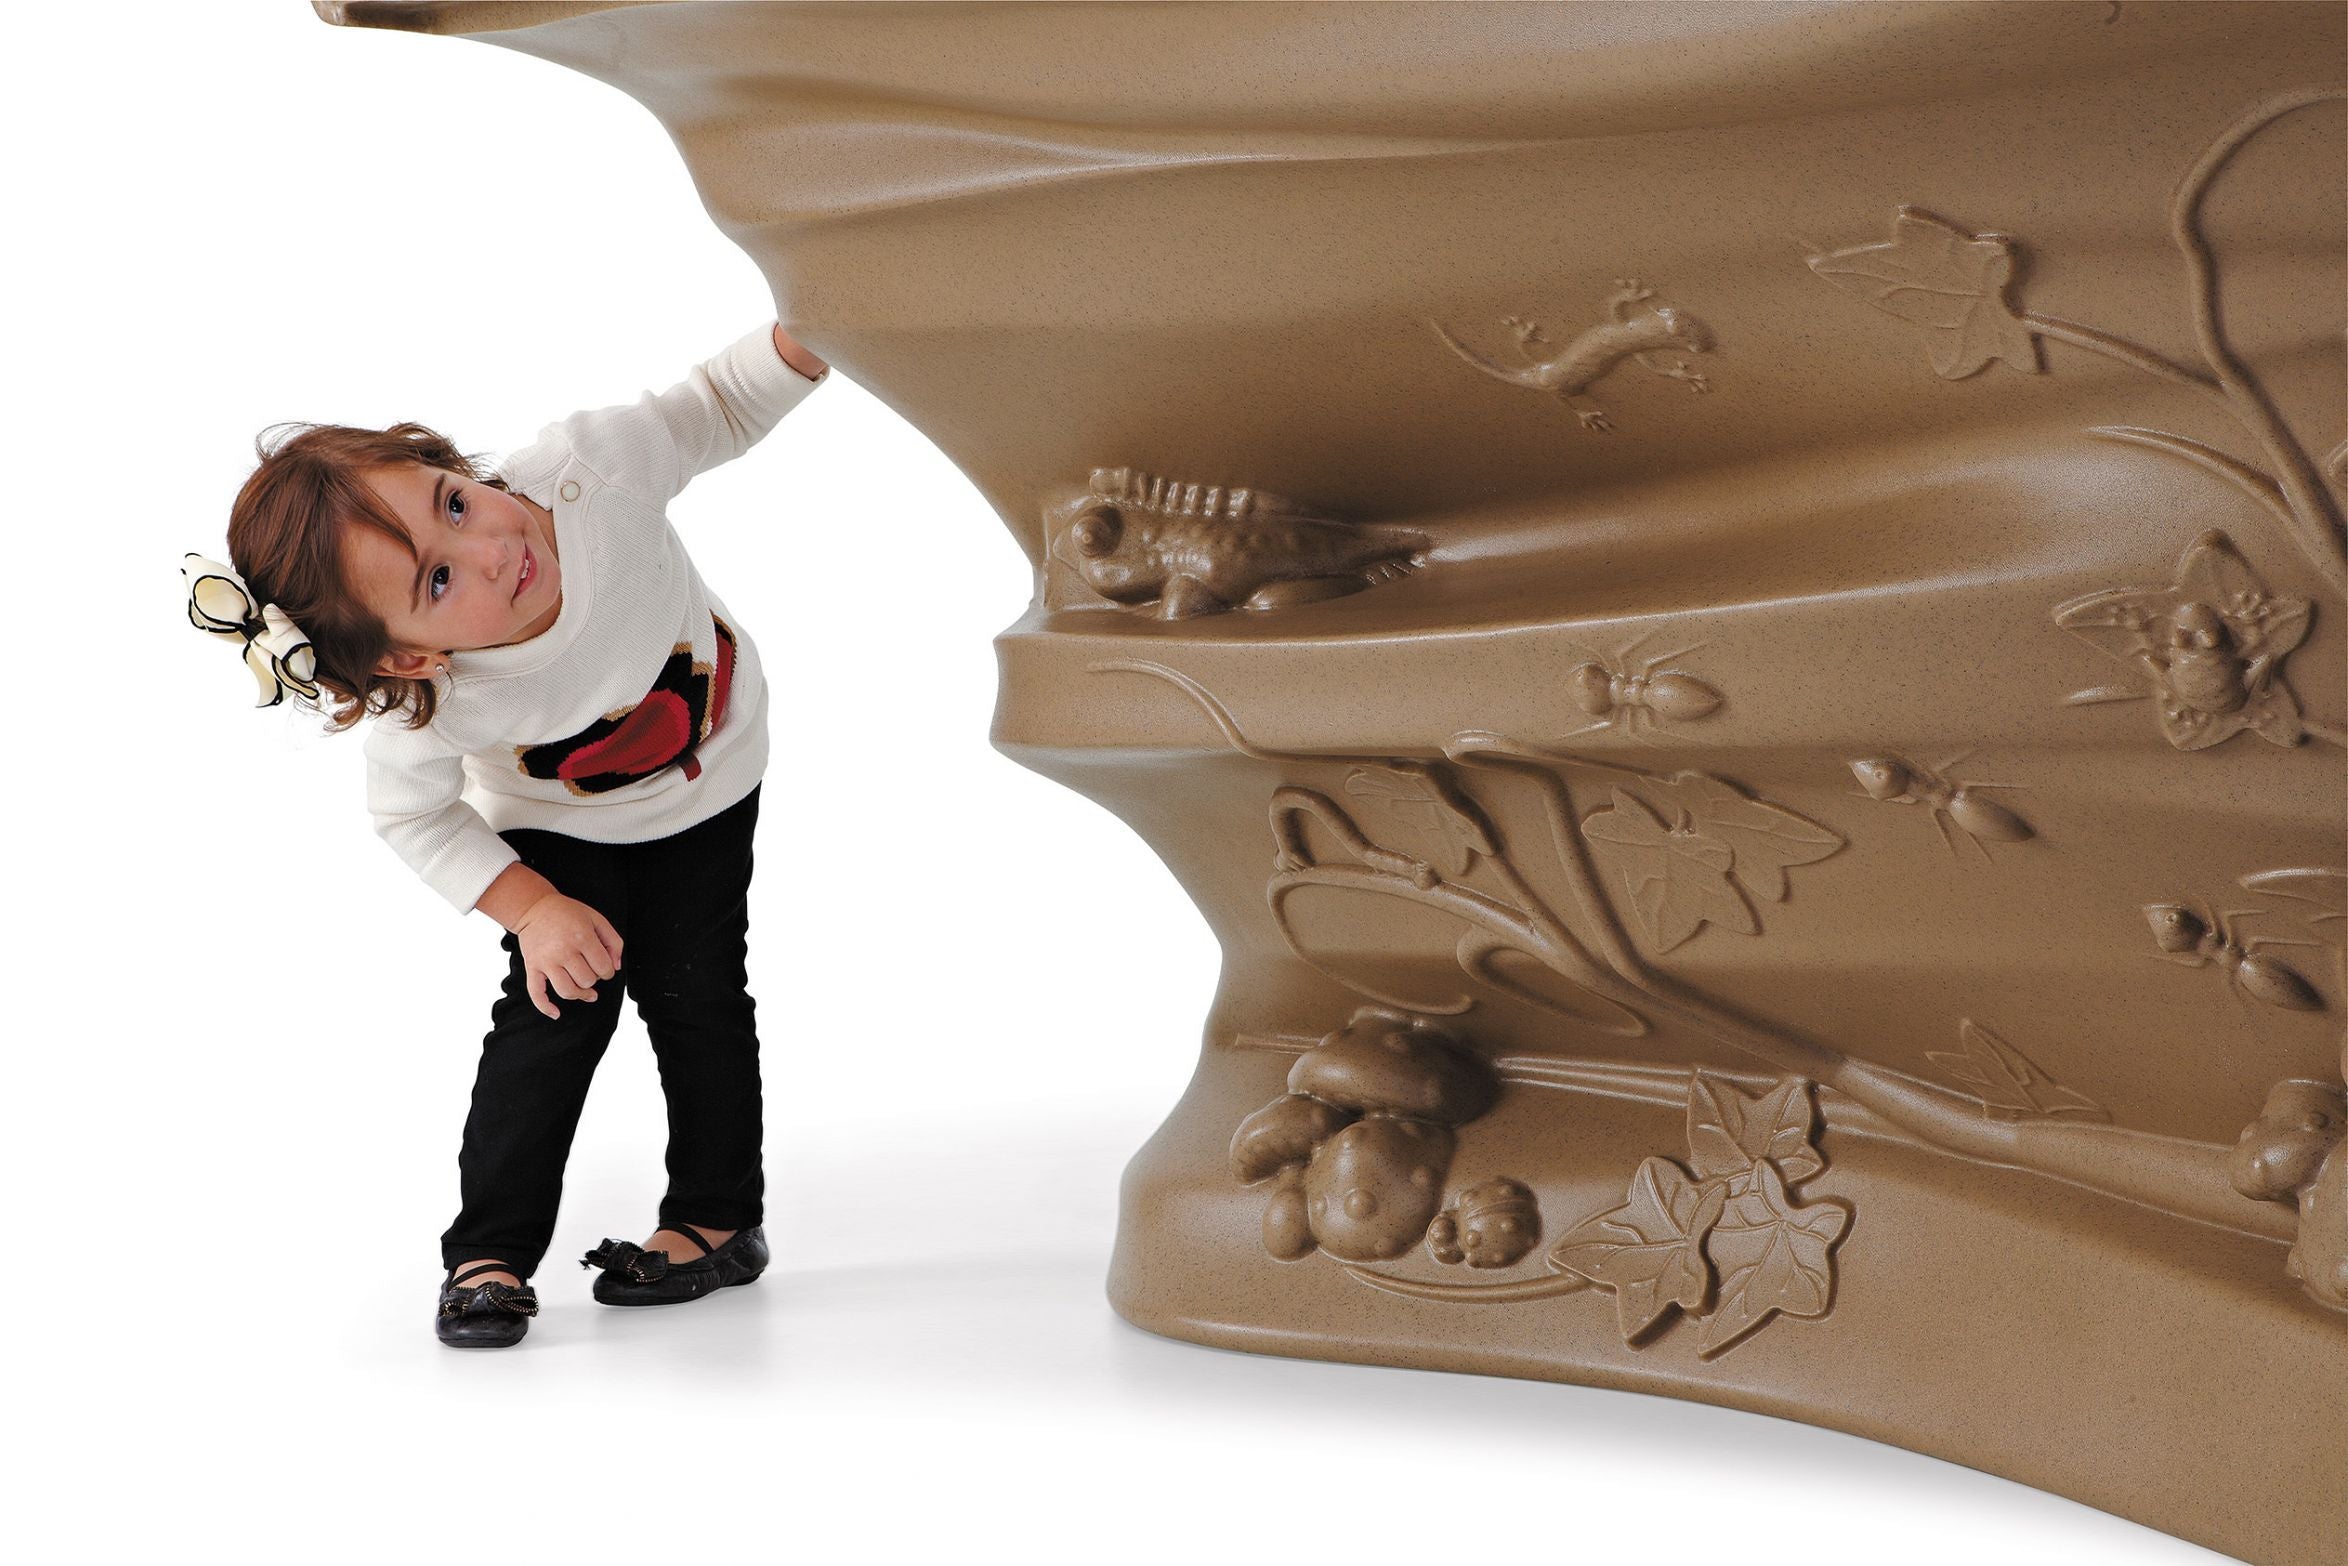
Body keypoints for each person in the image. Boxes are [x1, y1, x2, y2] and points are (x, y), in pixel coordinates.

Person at [184, 324, 830, 1346]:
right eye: (439, 582)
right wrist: (529, 908)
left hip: (707, 779)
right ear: (404, 656)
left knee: (695, 992)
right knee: (553, 1019)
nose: (491, 548)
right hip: (555, 827)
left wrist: (800, 345)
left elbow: (712, 407)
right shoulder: (433, 704)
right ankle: (488, 1254)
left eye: (453, 502)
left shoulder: (591, 474)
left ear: (449, 464)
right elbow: (411, 811)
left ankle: (716, 1219)